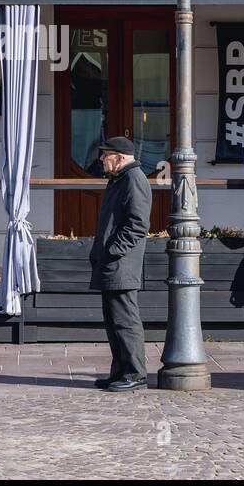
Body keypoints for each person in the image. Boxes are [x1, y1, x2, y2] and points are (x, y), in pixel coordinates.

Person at [89, 136, 152, 393]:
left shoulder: (133, 180)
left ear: (120, 157)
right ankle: (120, 372)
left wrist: (114, 250)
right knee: (114, 320)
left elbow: (138, 224)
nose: (101, 159)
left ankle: (135, 374)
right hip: (113, 262)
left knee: (125, 320)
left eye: (105, 155)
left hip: (121, 264)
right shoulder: (120, 180)